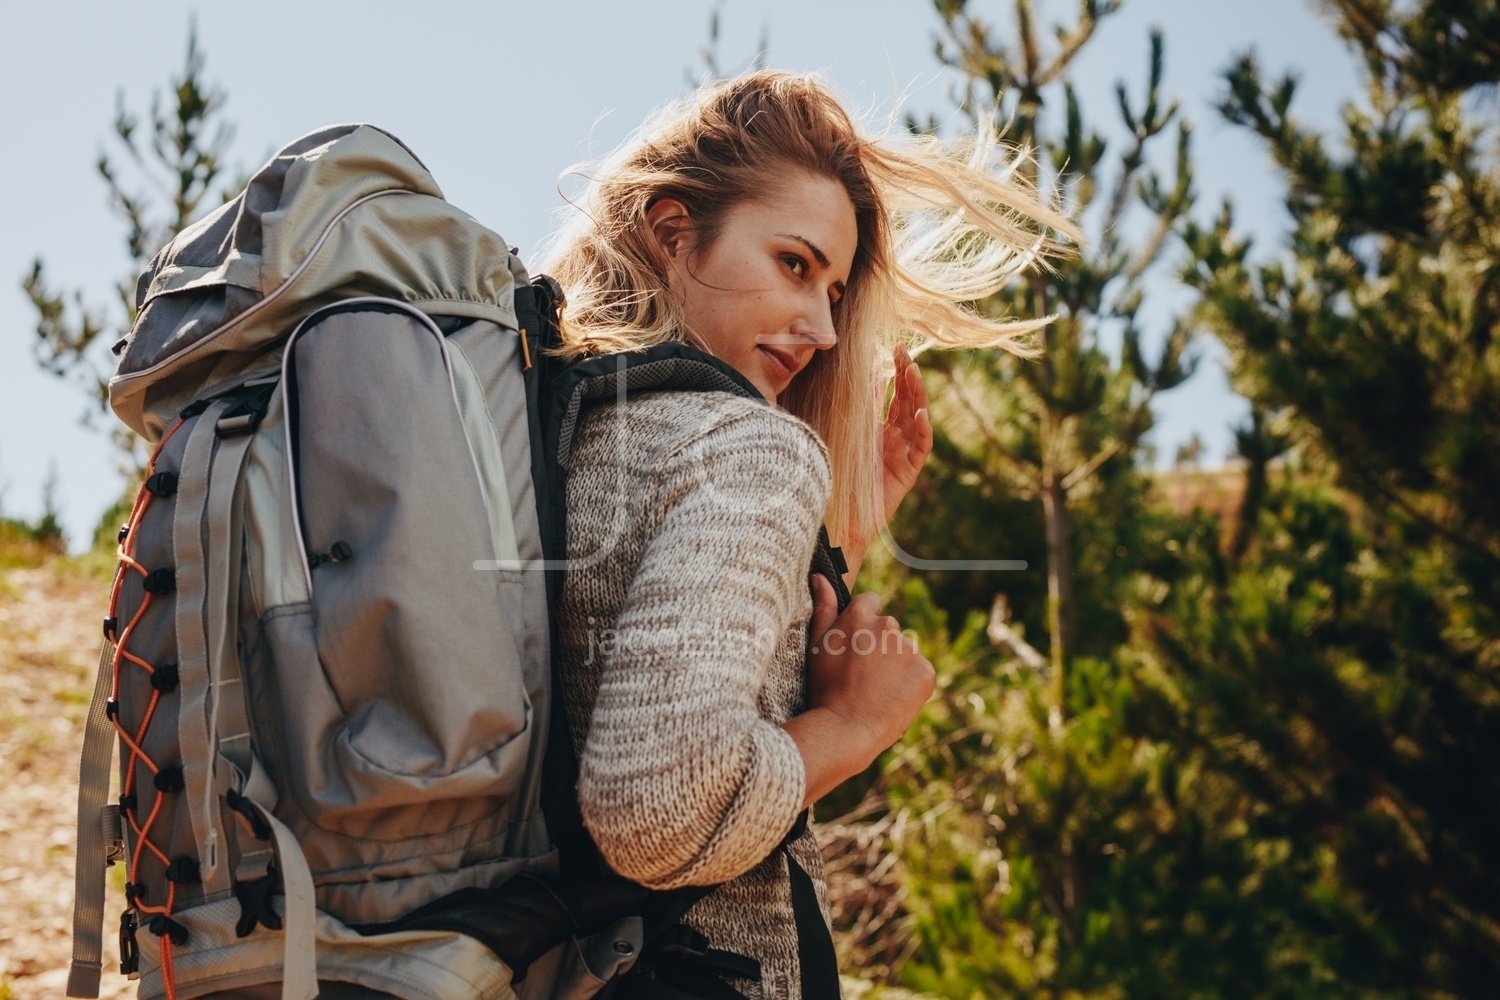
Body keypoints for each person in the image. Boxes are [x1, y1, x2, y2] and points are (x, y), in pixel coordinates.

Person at [538, 70, 1075, 999]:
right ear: (673, 232)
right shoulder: (751, 445)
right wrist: (855, 725)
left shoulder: (556, 429)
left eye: (833, 289)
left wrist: (837, 547)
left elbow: (652, 669)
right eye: (795, 263)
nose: (823, 328)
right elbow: (654, 811)